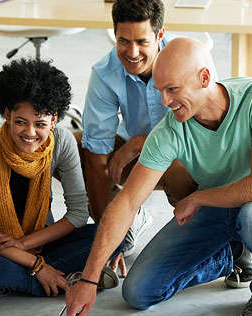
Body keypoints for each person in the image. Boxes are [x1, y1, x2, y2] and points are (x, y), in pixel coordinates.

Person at [64, 37, 252, 316]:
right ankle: (234, 254)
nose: (165, 101)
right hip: (220, 209)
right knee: (139, 292)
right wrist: (89, 278)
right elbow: (127, 202)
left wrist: (197, 198)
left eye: (172, 89)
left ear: (204, 78)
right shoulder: (170, 130)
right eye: (160, 90)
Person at [0, 58, 124, 297]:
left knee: (113, 236)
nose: (29, 133)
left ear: (55, 119)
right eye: (20, 122)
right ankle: (59, 279)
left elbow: (78, 213)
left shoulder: (63, 142)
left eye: (40, 124)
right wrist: (36, 266)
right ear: (6, 113)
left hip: (39, 241)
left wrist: (23, 246)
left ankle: (26, 281)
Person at [77, 0, 199, 260]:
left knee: (180, 169)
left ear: (159, 35)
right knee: (76, 148)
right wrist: (106, 240)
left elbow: (197, 135)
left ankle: (200, 238)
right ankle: (122, 227)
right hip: (134, 155)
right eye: (123, 41)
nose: (132, 52)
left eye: (142, 42)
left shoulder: (187, 61)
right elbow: (97, 153)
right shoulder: (105, 72)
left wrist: (139, 143)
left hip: (182, 154)